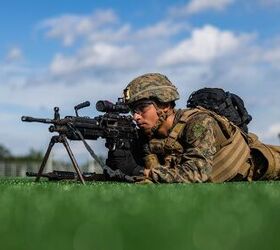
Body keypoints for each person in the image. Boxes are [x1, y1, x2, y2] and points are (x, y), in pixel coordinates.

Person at [106, 73, 280, 183]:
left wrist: (141, 172)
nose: (136, 116)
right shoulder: (148, 135)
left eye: (142, 108)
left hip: (262, 166)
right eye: (132, 110)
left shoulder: (199, 123)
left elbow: (196, 173)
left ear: (164, 105)